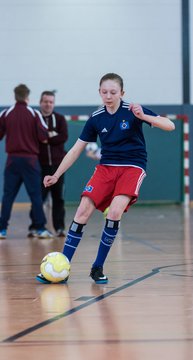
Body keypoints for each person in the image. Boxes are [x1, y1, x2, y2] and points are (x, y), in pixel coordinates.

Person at [36, 73, 175, 284]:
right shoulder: (96, 117)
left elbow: (169, 125)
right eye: (104, 92)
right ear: (99, 92)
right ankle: (63, 266)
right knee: (82, 211)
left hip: (132, 167)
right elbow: (75, 150)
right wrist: (56, 174)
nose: (108, 96)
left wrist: (144, 117)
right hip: (106, 167)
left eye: (113, 92)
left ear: (122, 93)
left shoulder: (132, 110)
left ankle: (97, 267)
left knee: (116, 211)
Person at [0, 84, 52, 239]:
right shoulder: (34, 114)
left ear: (15, 96)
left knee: (8, 196)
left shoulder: (6, 113)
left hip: (12, 161)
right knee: (36, 196)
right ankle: (41, 229)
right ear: (27, 97)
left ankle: (2, 229)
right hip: (30, 161)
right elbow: (44, 136)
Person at [28, 91, 68, 238]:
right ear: (40, 102)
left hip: (58, 166)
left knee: (59, 198)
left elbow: (63, 137)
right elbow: (34, 139)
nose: (48, 104)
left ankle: (60, 228)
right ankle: (35, 227)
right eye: (45, 101)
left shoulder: (60, 118)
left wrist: (47, 137)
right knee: (38, 198)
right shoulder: (34, 119)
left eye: (51, 102)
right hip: (40, 166)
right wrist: (51, 135)